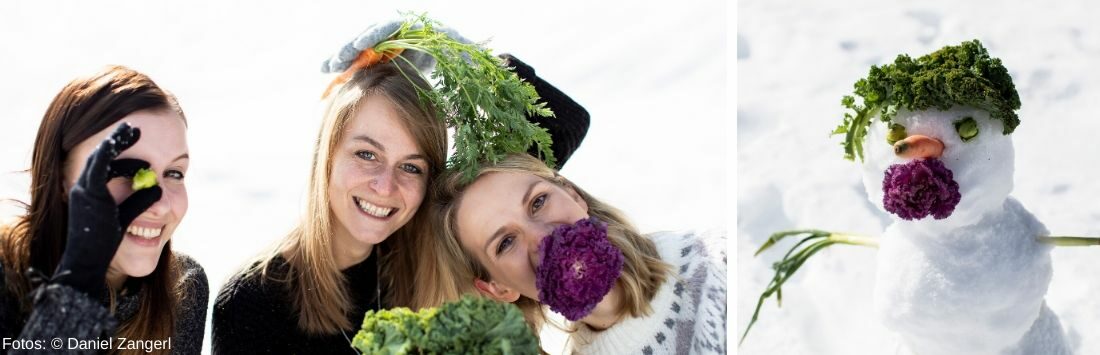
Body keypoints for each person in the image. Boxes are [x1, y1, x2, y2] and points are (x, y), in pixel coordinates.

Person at [211, 20, 590, 354]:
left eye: (411, 166)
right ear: (327, 155)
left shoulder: (435, 237)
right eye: (366, 154)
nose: (384, 185)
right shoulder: (252, 303)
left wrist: (455, 56)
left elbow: (565, 124)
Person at [0, 65, 208, 355]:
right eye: (124, 171)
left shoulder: (184, 289)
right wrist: (78, 283)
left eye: (174, 172)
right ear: (61, 178)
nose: (158, 204)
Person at [432, 154, 727, 355]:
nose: (542, 238)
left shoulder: (719, 263)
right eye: (506, 242)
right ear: (498, 287)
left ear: (573, 195)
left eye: (538, 203)